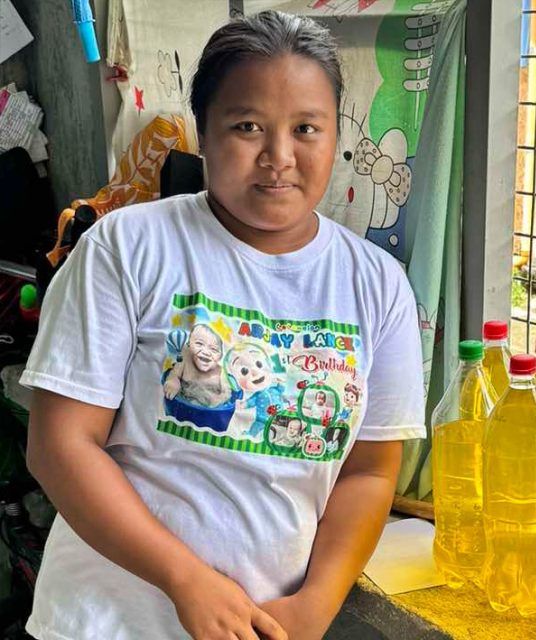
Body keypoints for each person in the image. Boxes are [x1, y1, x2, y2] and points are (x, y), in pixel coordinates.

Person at [22, 11, 424, 640]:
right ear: (203, 135)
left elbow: (370, 471)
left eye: (306, 129)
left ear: (334, 136)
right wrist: (184, 579)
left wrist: (317, 601)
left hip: (269, 627)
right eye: (247, 127)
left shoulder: (376, 285)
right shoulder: (129, 247)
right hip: (107, 622)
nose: (279, 157)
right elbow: (61, 446)